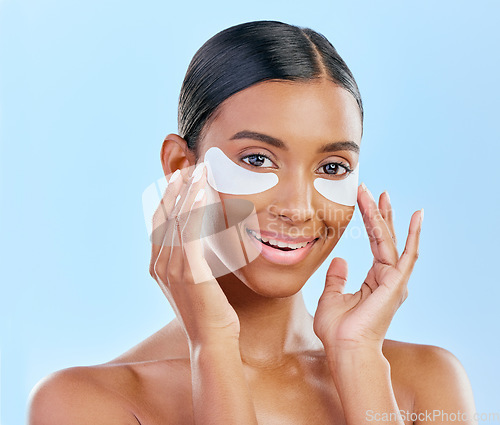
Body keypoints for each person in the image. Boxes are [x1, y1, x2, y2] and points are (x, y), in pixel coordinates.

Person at [28, 20, 476, 425]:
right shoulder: (83, 403)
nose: (298, 208)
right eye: (259, 160)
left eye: (333, 167)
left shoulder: (427, 384)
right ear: (182, 165)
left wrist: (359, 361)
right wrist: (214, 348)